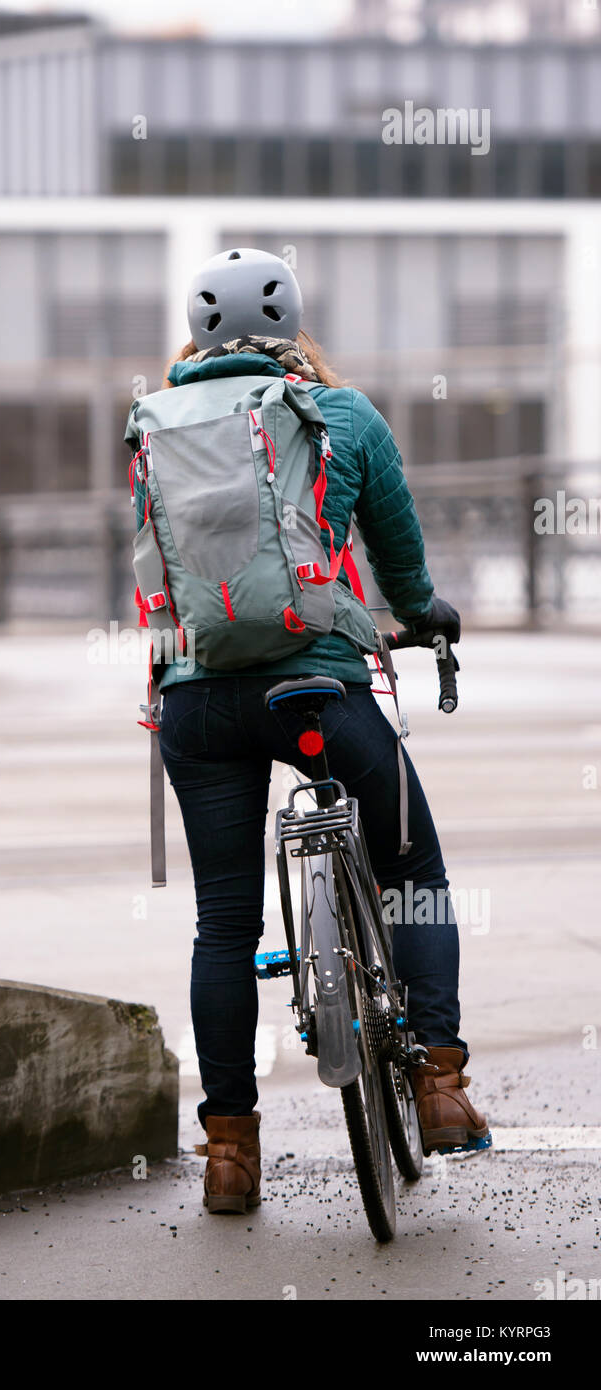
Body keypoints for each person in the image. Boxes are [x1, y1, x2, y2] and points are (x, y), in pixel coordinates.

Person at [132, 247, 489, 1214]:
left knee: (222, 923)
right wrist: (423, 616)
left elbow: (159, 583)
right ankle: (442, 1083)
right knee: (411, 864)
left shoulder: (160, 432)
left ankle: (230, 1154)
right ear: (294, 329)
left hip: (199, 707)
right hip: (317, 696)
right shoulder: (343, 415)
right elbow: (401, 563)